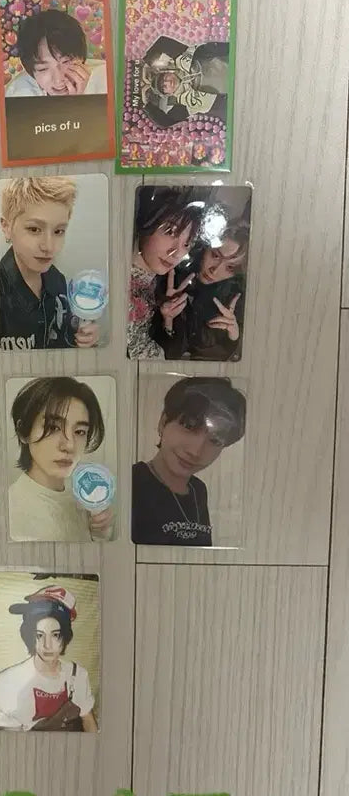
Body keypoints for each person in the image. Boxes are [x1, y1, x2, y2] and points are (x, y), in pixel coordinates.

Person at [132, 376, 246, 546]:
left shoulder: (198, 490)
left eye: (215, 440)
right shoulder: (130, 482)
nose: (195, 451)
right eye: (189, 426)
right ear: (163, 423)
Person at [0, 177, 99, 350]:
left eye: (58, 231)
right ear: (6, 227)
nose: (49, 247)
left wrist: (84, 335)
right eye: (34, 229)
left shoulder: (58, 281)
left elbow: (64, 336)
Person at [8, 377, 111, 542]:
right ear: (23, 432)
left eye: (80, 431)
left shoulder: (81, 497)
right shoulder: (11, 513)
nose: (69, 445)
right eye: (53, 427)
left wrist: (99, 533)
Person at [0, 585, 98, 732]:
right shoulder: (7, 683)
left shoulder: (78, 675)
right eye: (39, 635)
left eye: (55, 635)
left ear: (65, 636)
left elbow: (89, 723)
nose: (47, 645)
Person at [160, 217, 249, 361]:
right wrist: (167, 321)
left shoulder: (235, 298)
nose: (215, 270)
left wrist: (233, 336)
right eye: (215, 255)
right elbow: (168, 354)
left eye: (230, 267)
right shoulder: (173, 274)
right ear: (205, 248)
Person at [128, 188, 202, 359]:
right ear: (148, 223)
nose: (176, 252)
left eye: (186, 244)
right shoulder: (114, 280)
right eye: (170, 232)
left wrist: (166, 319)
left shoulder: (160, 283)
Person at [5, 9, 107, 97]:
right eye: (43, 69)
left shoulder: (106, 81)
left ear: (82, 57)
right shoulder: (19, 93)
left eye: (66, 61)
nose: (58, 80)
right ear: (31, 73)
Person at [141, 37, 230, 127]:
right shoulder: (184, 104)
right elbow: (165, 122)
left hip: (229, 60)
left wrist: (146, 63)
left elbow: (162, 42)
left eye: (165, 78)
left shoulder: (180, 58)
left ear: (168, 72)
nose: (168, 82)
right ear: (168, 94)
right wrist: (146, 105)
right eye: (164, 87)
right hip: (229, 93)